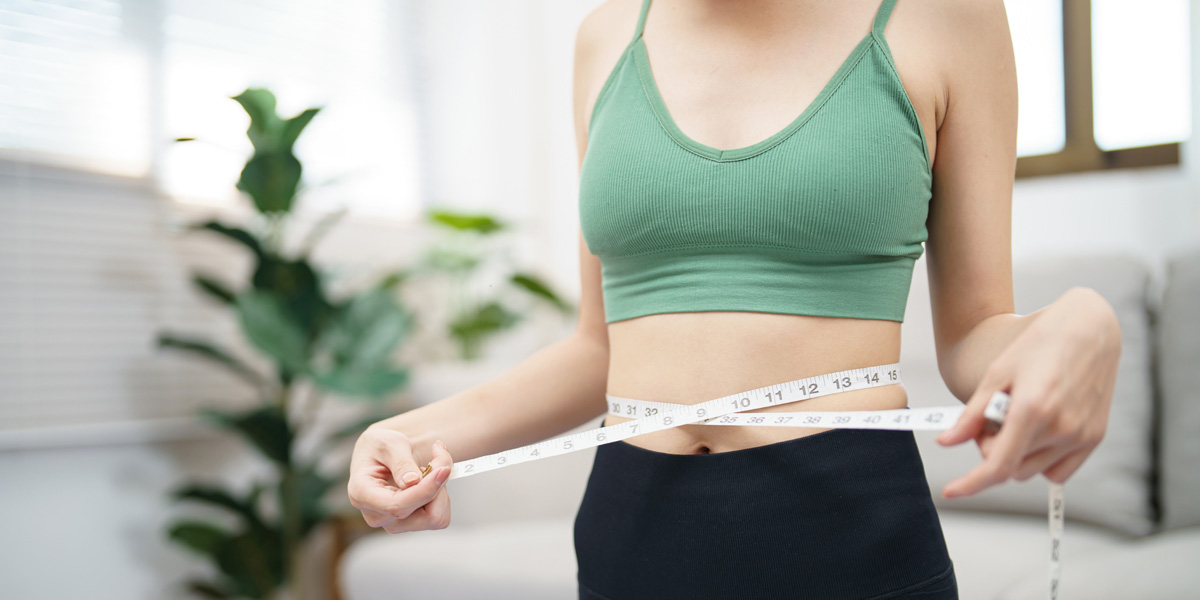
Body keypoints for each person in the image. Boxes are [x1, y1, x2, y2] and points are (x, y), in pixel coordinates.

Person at [347, 0, 1123, 598]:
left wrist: (1083, 320)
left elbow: (976, 333)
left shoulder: (945, 17)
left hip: (848, 533)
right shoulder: (607, 34)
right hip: (629, 535)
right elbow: (598, 348)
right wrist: (414, 433)